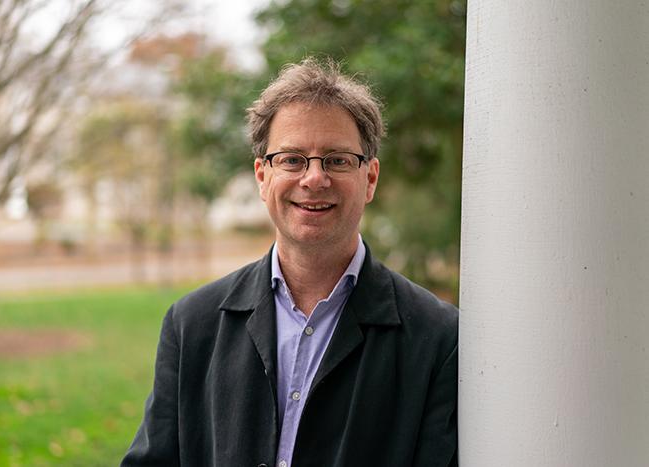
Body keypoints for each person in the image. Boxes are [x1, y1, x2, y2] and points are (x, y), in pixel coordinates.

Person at [121, 57, 458, 467]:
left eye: (337, 159)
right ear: (262, 177)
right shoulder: (192, 325)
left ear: (369, 179)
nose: (314, 178)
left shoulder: (438, 338)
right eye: (293, 159)